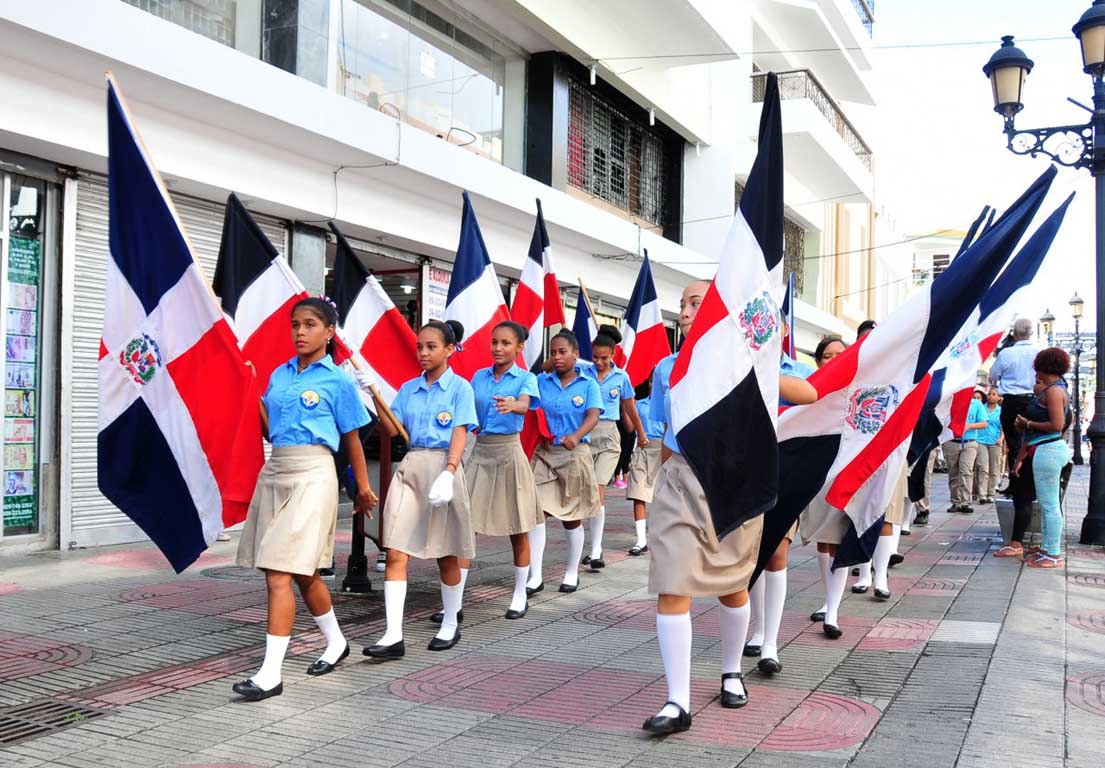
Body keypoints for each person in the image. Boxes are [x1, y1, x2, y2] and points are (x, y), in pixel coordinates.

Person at [643, 281, 816, 736]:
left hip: (737, 483)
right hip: (682, 479)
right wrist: (666, 474)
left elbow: (808, 395)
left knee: (732, 586)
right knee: (672, 581)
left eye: (695, 302)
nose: (684, 310)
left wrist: (751, 366)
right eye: (681, 304)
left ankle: (731, 671)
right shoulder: (668, 365)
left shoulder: (757, 361)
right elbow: (667, 426)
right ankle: (677, 700)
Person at [232, 297, 376, 701]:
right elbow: (270, 430)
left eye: (310, 324)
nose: (300, 331)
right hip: (277, 470)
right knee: (302, 573)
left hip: (314, 473)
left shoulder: (339, 380)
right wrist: (249, 390)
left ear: (329, 332)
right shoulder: (278, 375)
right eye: (295, 324)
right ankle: (336, 642)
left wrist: (362, 487)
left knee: (279, 572)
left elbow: (352, 438)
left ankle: (269, 674)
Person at [365, 320, 477, 659]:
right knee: (396, 548)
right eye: (419, 347)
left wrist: (450, 471)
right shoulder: (409, 389)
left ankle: (450, 623)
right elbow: (391, 429)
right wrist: (374, 395)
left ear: (449, 349)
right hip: (411, 469)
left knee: (445, 551)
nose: (423, 353)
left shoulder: (460, 389)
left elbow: (460, 430)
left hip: (444, 466)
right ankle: (392, 634)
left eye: (431, 346)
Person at [744, 325, 816, 675]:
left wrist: (764, 368)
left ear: (784, 330)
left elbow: (813, 400)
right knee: (749, 553)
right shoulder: (730, 363)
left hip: (783, 472)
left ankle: (770, 642)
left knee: (776, 552)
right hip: (740, 472)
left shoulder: (800, 372)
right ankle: (757, 628)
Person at [465, 321, 542, 619]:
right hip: (479, 451)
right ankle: (454, 602)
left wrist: (513, 404)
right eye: (495, 342)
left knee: (517, 526)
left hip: (509, 453)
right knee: (463, 525)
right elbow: (469, 410)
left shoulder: (526, 378)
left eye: (506, 343)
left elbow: (525, 404)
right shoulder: (478, 377)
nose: (498, 348)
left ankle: (520, 593)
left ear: (519, 347)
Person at [529, 329, 603, 593]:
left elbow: (593, 415)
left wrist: (577, 435)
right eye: (553, 352)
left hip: (574, 454)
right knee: (536, 513)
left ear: (576, 354)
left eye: (563, 352)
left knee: (571, 517)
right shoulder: (541, 381)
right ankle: (535, 575)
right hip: (546, 455)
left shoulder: (588, 383)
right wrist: (549, 363)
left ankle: (571, 572)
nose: (557, 357)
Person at [795, 336, 851, 639]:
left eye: (839, 354)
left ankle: (833, 610)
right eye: (826, 356)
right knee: (823, 540)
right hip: (818, 469)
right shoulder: (810, 387)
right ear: (818, 362)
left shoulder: (861, 385)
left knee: (839, 537)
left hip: (848, 469)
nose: (833, 360)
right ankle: (828, 599)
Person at [998, 348, 1071, 567]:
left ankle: (1053, 553)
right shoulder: (1052, 389)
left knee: (1049, 505)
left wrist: (1026, 423)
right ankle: (1048, 548)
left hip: (1047, 450)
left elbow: (1057, 426)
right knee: (1049, 503)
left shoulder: (1054, 391)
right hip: (1041, 449)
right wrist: (1021, 455)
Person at [582, 326, 643, 570]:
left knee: (598, 491)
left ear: (613, 355)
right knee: (586, 494)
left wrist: (642, 433)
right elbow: (551, 367)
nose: (598, 361)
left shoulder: (622, 377)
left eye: (604, 358)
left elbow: (629, 407)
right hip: (585, 436)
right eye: (595, 356)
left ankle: (596, 550)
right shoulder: (582, 372)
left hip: (608, 437)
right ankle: (589, 547)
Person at [990, 318, 1039, 495]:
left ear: (1015, 333)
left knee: (1013, 442)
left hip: (1012, 401)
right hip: (1033, 400)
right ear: (1030, 333)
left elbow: (993, 375)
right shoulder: (1039, 352)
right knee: (1034, 440)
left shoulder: (1006, 354)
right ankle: (1029, 483)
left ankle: (1016, 482)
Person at [626, 377, 666, 556]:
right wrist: (626, 406)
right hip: (643, 448)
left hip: (663, 450)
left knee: (662, 496)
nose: (653, 386)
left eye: (655, 382)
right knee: (638, 493)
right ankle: (641, 540)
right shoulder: (640, 405)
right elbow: (629, 428)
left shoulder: (668, 404)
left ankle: (659, 536)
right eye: (650, 382)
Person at [942, 395, 990, 513]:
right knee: (953, 472)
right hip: (952, 441)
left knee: (966, 471)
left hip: (969, 442)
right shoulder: (950, 401)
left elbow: (984, 423)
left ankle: (965, 501)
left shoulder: (976, 404)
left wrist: (969, 426)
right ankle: (955, 501)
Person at [976, 387, 1003, 504]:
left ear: (998, 398)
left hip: (994, 442)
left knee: (994, 469)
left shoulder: (1000, 411)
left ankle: (991, 493)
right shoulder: (982, 408)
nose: (991, 396)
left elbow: (1003, 428)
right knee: (982, 467)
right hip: (981, 440)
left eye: (994, 394)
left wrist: (1001, 439)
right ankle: (982, 494)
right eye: (989, 394)